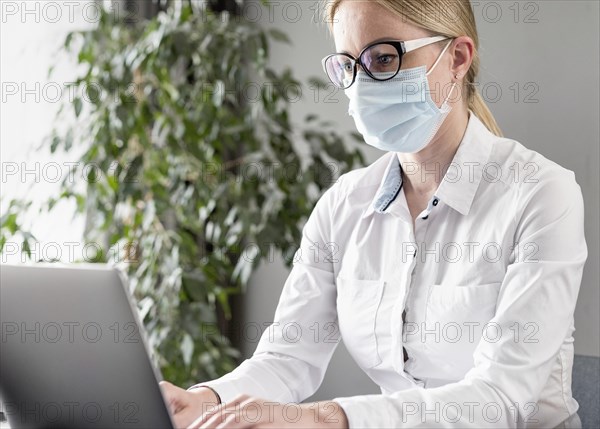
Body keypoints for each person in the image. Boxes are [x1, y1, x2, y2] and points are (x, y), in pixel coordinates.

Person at [160, 1, 587, 428]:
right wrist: (206, 399)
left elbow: (501, 398)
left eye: (383, 59)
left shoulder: (540, 194)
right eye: (348, 66)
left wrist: (327, 418)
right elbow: (289, 356)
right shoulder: (344, 205)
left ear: (457, 58)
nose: (362, 84)